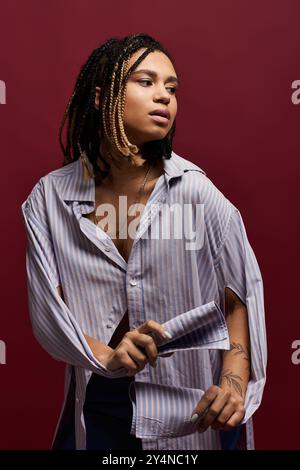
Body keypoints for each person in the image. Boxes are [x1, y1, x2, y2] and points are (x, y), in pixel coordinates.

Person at [21, 33, 267, 450]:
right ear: (101, 97)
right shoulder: (49, 199)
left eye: (172, 88)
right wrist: (109, 356)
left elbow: (237, 297)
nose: (164, 97)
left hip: (190, 409)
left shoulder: (196, 191)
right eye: (146, 82)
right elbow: (50, 313)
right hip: (101, 403)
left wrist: (234, 384)